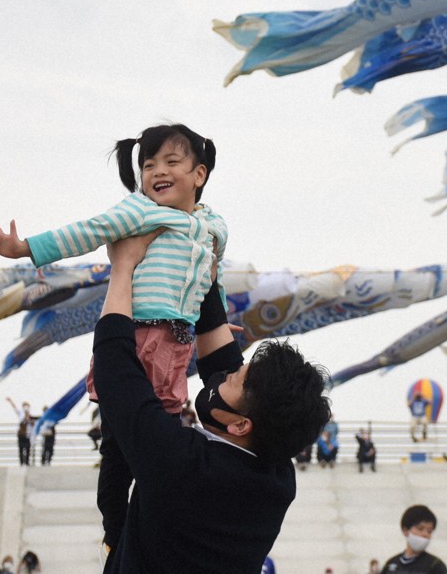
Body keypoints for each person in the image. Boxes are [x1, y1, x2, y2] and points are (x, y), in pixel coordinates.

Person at [0, 123, 226, 550]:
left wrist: (217, 323)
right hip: (136, 336)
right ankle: (115, 532)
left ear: (199, 174)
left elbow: (209, 281)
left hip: (177, 344)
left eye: (171, 162)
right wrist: (25, 249)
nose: (157, 172)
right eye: (149, 165)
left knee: (159, 442)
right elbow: (87, 231)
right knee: (117, 447)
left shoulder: (214, 227)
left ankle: (148, 526)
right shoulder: (140, 210)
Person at [92, 231, 331, 572]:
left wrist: (123, 267)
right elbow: (224, 362)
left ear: (240, 424)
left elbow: (115, 370)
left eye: (233, 380)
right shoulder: (275, 472)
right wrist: (206, 279)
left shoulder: (187, 468)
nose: (222, 378)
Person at [380, 504, 447, 573]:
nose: (425, 534)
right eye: (420, 529)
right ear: (405, 530)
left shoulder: (435, 565)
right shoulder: (391, 564)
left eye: (429, 531)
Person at [7, 397, 36, 466]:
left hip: (28, 434)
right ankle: (22, 462)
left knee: (28, 448)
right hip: (21, 433)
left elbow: (33, 424)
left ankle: (27, 462)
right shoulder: (21, 413)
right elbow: (15, 408)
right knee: (21, 448)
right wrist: (11, 401)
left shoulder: (30, 416)